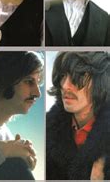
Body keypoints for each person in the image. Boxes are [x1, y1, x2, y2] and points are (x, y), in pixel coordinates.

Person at [0, 51, 43, 180]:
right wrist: (2, 150)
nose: (37, 93)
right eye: (29, 81)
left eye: (37, 83)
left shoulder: (7, 136)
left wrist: (24, 164)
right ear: (4, 80)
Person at [47, 52, 110, 180]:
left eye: (78, 76)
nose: (65, 86)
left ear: (100, 82)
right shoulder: (46, 130)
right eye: (63, 76)